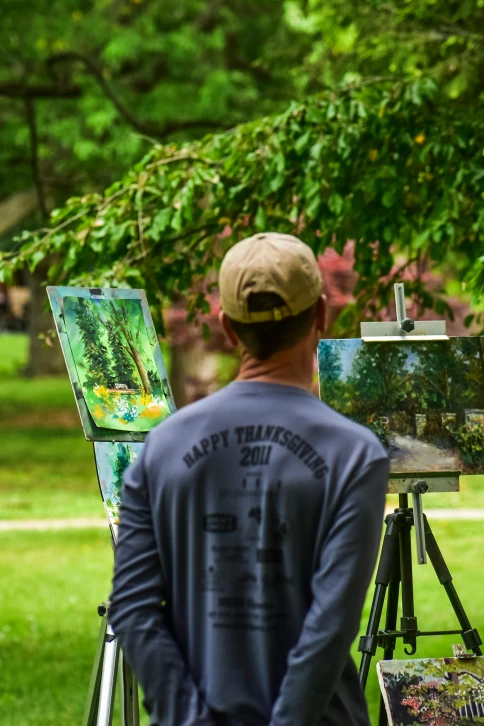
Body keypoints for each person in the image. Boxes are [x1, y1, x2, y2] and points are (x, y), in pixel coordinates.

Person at [110, 232, 389, 726]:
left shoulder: (162, 447)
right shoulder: (355, 455)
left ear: (227, 327)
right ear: (322, 314)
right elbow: (329, 629)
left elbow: (132, 609)